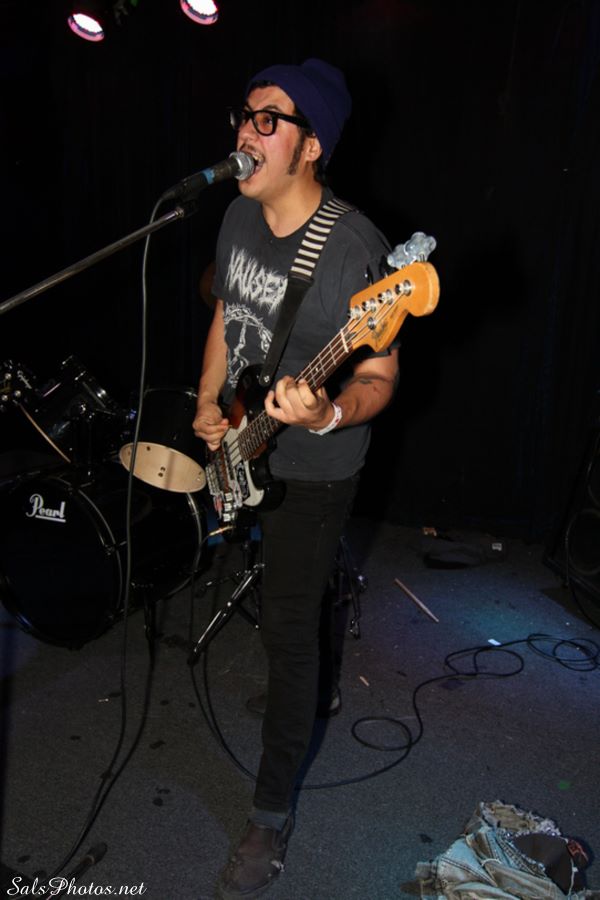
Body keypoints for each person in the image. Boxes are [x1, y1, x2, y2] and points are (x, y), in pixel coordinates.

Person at [192, 58, 399, 899]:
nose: (248, 132)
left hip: (317, 468)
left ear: (311, 146)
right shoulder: (238, 216)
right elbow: (226, 312)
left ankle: (269, 817)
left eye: (269, 120)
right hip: (249, 444)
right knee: (277, 590)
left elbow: (379, 377)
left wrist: (327, 412)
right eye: (245, 115)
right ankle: (308, 671)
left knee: (287, 633)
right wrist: (209, 403)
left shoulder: (354, 248)